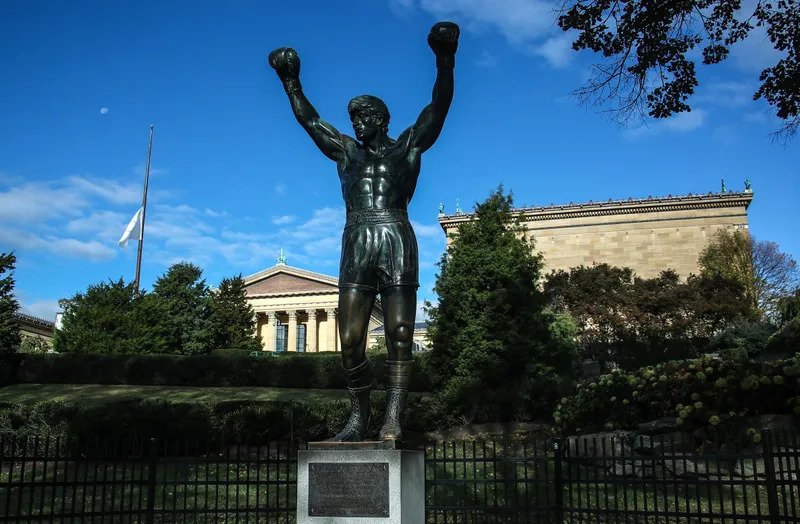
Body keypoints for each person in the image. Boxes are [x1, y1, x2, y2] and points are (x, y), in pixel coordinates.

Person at [268, 21, 459, 441]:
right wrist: (291, 81)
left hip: (395, 234)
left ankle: (393, 417)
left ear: (381, 118)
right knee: (350, 338)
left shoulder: (407, 146)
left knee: (400, 334)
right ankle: (358, 416)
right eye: (352, 117)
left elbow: (439, 106)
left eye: (363, 116)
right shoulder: (346, 153)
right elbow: (311, 121)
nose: (355, 123)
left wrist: (445, 58)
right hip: (357, 238)